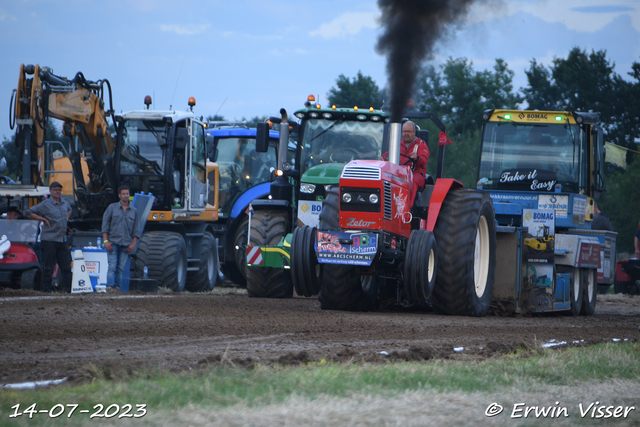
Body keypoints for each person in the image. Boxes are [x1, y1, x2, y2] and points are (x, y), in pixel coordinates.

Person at [25, 181, 72, 293]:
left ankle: (68, 290)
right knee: (48, 266)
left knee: (66, 266)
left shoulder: (65, 203)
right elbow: (28, 212)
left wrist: (66, 219)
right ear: (50, 191)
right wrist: (43, 219)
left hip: (62, 239)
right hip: (49, 239)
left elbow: (70, 210)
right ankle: (46, 289)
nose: (57, 192)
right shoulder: (45, 204)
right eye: (55, 190)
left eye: (59, 190)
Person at [382, 121, 430, 205]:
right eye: (404, 131)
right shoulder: (397, 144)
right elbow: (385, 156)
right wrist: (384, 159)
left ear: (414, 132)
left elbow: (424, 160)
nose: (406, 134)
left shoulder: (420, 144)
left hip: (415, 173)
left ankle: (408, 207)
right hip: (398, 173)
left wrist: (417, 158)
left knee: (411, 180)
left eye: (409, 131)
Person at [102, 185, 140, 289]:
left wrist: (133, 244)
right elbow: (105, 225)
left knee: (120, 269)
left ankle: (117, 288)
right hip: (112, 243)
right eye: (123, 194)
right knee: (112, 267)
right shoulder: (112, 208)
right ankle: (109, 288)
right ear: (119, 195)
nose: (125, 196)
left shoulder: (134, 211)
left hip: (126, 244)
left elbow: (136, 230)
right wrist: (106, 241)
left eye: (127, 193)